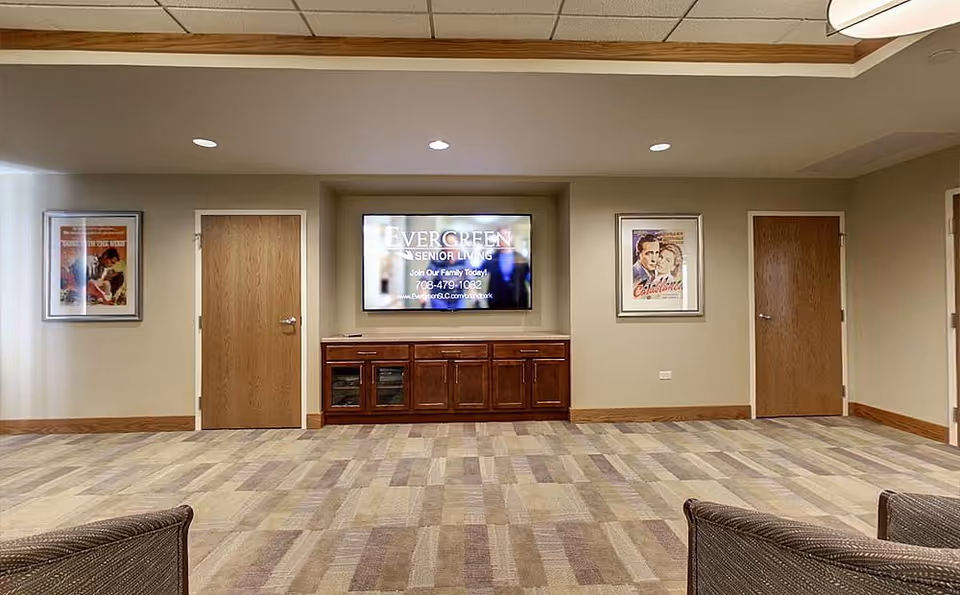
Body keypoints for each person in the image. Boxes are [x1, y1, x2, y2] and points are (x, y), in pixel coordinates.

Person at [481, 227, 531, 309]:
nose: (503, 239)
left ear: (511, 238)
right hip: (496, 299)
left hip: (518, 299)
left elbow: (529, 277)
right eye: (500, 236)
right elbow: (478, 271)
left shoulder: (521, 258)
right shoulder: (491, 258)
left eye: (506, 235)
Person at [420, 230, 471, 310]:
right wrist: (423, 293)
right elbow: (425, 279)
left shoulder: (464, 259)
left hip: (457, 296)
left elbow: (470, 278)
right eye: (447, 244)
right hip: (439, 297)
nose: (450, 248)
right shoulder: (437, 259)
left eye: (453, 244)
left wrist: (473, 292)